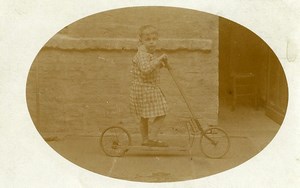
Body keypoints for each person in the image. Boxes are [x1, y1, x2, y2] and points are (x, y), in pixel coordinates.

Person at [130, 25, 170, 147]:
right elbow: (145, 69)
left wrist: (161, 64)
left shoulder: (147, 53)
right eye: (148, 39)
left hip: (143, 89)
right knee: (162, 111)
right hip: (145, 89)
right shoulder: (142, 54)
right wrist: (159, 60)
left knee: (144, 116)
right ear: (141, 40)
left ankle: (146, 140)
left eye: (154, 39)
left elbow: (150, 67)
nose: (152, 42)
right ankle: (151, 139)